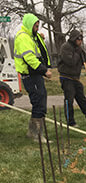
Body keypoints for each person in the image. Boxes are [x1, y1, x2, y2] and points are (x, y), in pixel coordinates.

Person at [14, 13, 51, 141]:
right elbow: (29, 58)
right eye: (35, 26)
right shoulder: (23, 38)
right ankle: (37, 135)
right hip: (30, 75)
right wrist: (44, 70)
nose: (37, 29)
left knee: (40, 100)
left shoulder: (30, 37)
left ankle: (32, 132)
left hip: (35, 74)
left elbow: (39, 50)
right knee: (38, 102)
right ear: (30, 25)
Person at [58, 30, 86, 126]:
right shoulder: (65, 47)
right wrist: (77, 52)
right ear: (74, 39)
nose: (80, 41)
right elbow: (70, 62)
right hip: (66, 77)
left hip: (76, 78)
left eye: (82, 39)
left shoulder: (78, 49)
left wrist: (82, 51)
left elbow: (85, 60)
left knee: (82, 100)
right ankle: (70, 122)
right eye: (79, 39)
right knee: (69, 100)